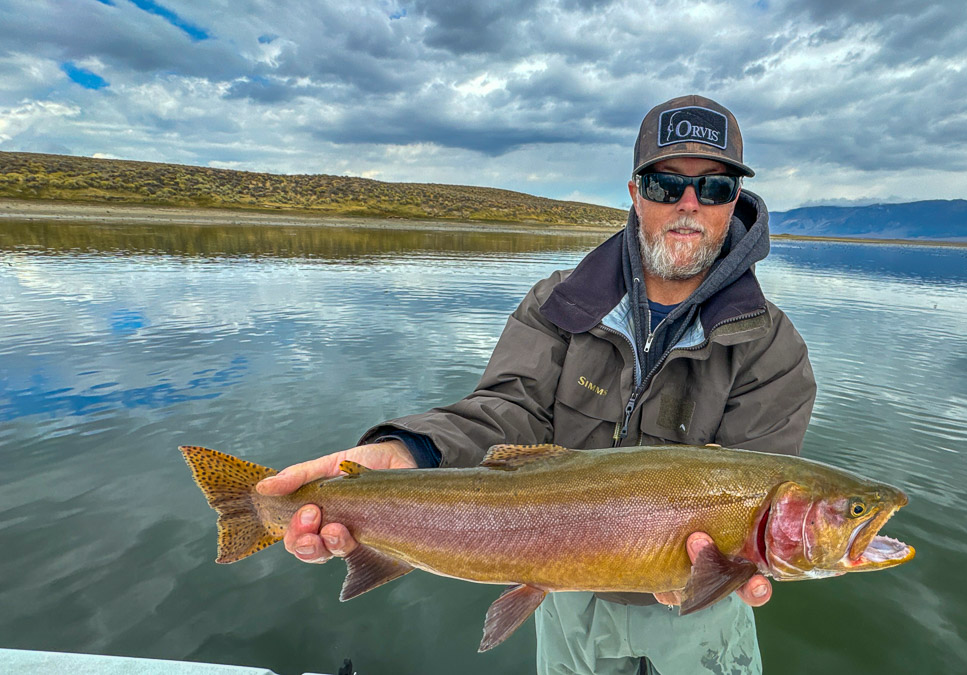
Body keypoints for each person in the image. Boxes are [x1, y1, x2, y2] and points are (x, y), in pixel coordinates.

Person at [256, 95, 817, 674]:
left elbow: (761, 485)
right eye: (667, 185)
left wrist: (732, 569)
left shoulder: (773, 349)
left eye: (715, 188)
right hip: (561, 592)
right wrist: (408, 451)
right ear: (635, 193)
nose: (689, 205)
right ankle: (253, 510)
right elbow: (507, 408)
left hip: (700, 611)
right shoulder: (558, 305)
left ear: (736, 204)